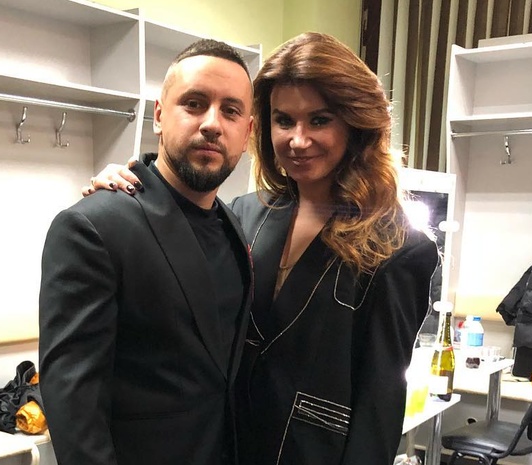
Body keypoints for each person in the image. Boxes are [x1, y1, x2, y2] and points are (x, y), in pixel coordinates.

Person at [89, 32, 438, 465]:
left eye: (319, 120)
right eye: (284, 120)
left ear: (355, 124)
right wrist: (126, 189)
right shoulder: (244, 214)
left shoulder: (397, 248)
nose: (298, 139)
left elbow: (378, 407)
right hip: (223, 450)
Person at [38, 39, 254, 465]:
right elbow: (74, 408)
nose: (212, 124)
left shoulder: (235, 223)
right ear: (158, 115)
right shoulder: (94, 227)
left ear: (246, 133)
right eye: (194, 104)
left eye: (230, 111)